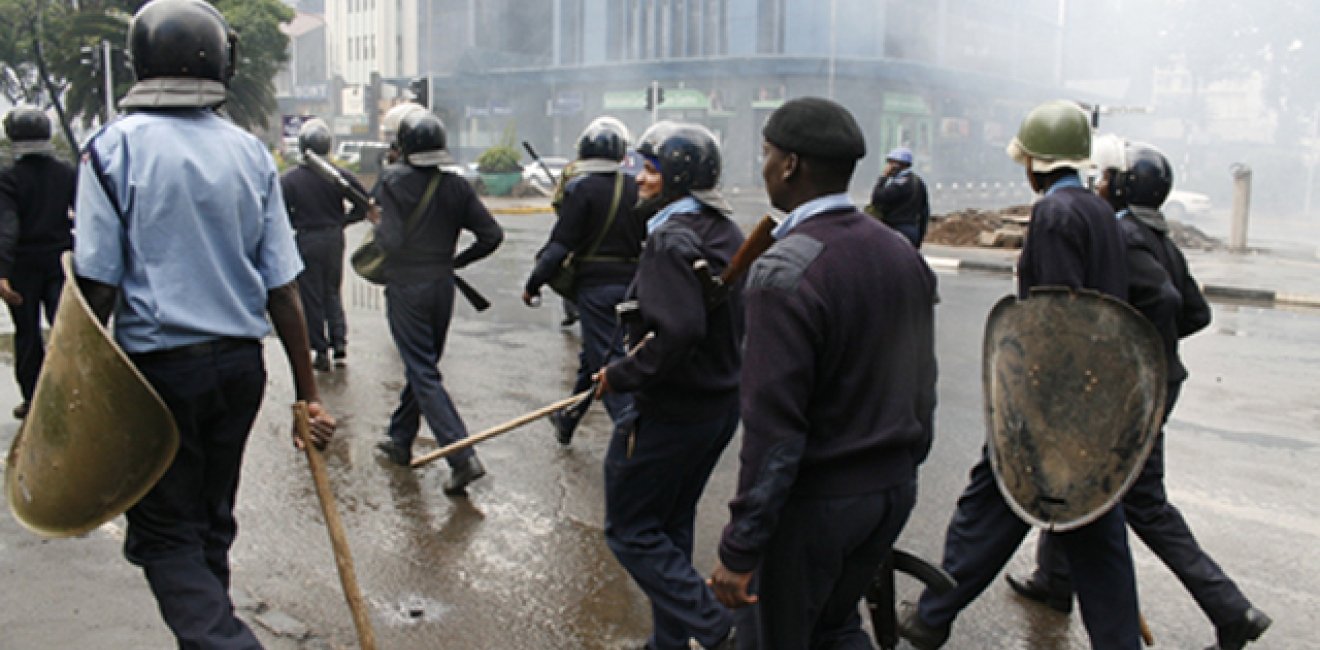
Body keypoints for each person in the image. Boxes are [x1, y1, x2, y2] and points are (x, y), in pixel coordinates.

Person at [71, 0, 337, 646]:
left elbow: (96, 286)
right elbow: (284, 288)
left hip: (158, 377)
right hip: (239, 371)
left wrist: (76, 396)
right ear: (221, 59)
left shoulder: (111, 150)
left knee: (166, 535)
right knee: (212, 523)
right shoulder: (249, 153)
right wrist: (307, 391)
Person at [1004, 136, 1271, 650]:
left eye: (1104, 178)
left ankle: (1231, 609)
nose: (1097, 185)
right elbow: (1198, 311)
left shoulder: (1124, 237)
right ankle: (1055, 579)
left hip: (1136, 390)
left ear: (1122, 185)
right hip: (1153, 382)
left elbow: (1168, 301)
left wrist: (1135, 347)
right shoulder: (1158, 237)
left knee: (1143, 504)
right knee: (1077, 482)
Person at [898, 99, 1142, 649]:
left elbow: (1053, 322)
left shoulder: (1055, 216)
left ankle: (932, 616)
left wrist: (1033, 408)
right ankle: (1119, 641)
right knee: (1096, 528)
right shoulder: (1099, 211)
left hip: (1050, 400)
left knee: (990, 505)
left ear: (1033, 161)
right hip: (1091, 400)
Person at [709, 97, 938, 648]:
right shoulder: (899, 252)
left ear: (789, 165)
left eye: (766, 154)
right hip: (889, 491)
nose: (762, 165)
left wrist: (741, 547)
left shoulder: (784, 270)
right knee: (835, 628)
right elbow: (922, 388)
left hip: (817, 509)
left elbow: (774, 432)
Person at [593, 121, 743, 650]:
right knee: (670, 526)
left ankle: (716, 627)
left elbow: (677, 332)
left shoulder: (669, 239)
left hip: (673, 411)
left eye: (651, 169)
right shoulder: (724, 231)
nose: (639, 179)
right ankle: (668, 643)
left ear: (679, 176)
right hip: (718, 408)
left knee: (630, 530)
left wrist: (619, 375)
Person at [370, 110, 503, 495]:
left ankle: (462, 457)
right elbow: (491, 236)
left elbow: (391, 242)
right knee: (424, 366)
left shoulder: (392, 182)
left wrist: (376, 223)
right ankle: (400, 438)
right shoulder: (457, 187)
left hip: (407, 286)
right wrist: (454, 261)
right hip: (442, 285)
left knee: (423, 370)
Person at [522, 116, 643, 445]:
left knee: (610, 361)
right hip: (633, 287)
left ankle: (630, 430)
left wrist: (534, 283)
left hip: (596, 290)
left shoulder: (580, 188)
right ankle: (569, 418)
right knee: (595, 359)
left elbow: (559, 246)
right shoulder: (637, 187)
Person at [0, 106, 76, 419]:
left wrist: (2, 272)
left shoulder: (8, 178)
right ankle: (68, 394)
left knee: (27, 333)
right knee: (64, 333)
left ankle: (34, 398)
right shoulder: (67, 172)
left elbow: (7, 226)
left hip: (22, 267)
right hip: (60, 262)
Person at [280, 118, 369, 371]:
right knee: (332, 291)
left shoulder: (291, 179)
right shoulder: (339, 176)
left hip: (307, 239)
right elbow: (364, 204)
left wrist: (297, 222)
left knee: (312, 297)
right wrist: (343, 221)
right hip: (333, 238)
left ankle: (320, 350)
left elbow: (280, 213)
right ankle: (339, 344)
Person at [866, 146, 931, 248]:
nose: (888, 166)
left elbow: (877, 198)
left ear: (898, 165)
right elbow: (924, 212)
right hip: (912, 230)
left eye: (891, 163)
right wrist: (920, 237)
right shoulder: (918, 182)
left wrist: (883, 177)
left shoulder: (899, 184)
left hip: (896, 230)